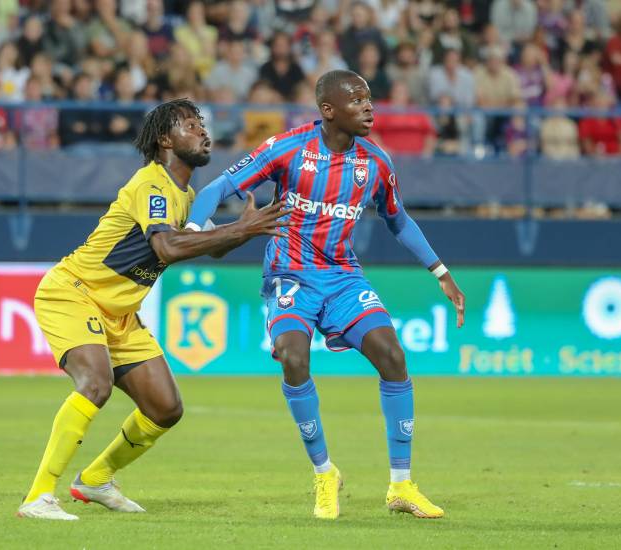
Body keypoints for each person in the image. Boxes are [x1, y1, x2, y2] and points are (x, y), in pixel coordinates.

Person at [185, 70, 466, 520]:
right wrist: (194, 233)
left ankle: (402, 485)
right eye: (357, 100)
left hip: (343, 278)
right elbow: (219, 187)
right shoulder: (288, 148)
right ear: (328, 110)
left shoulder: (375, 163)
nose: (369, 107)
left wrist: (440, 271)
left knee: (392, 355)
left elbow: (399, 220)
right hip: (290, 275)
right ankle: (324, 472)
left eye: (370, 99)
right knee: (294, 358)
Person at [16, 99, 289, 521]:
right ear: (165, 139)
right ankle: (38, 496)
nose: (203, 132)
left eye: (203, 125)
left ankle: (96, 479)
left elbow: (207, 248)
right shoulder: (152, 184)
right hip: (75, 292)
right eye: (191, 125)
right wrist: (240, 228)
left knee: (165, 408)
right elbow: (167, 247)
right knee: (95, 383)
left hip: (120, 315)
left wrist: (241, 232)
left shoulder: (188, 195)